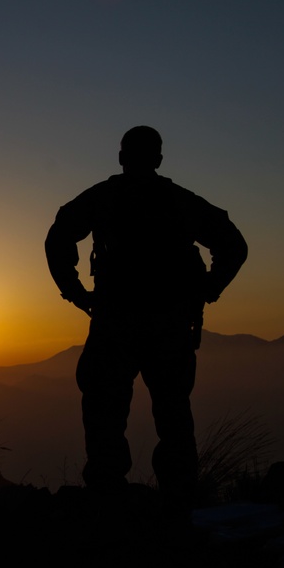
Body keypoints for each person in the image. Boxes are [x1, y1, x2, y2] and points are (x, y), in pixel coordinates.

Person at [45, 126, 247, 512]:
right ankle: (179, 497)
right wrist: (207, 288)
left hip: (115, 322)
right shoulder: (180, 201)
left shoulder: (104, 198)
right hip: (168, 324)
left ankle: (107, 494)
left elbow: (59, 236)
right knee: (172, 411)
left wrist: (75, 292)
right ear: (158, 160)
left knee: (105, 408)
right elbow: (233, 244)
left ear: (122, 157)